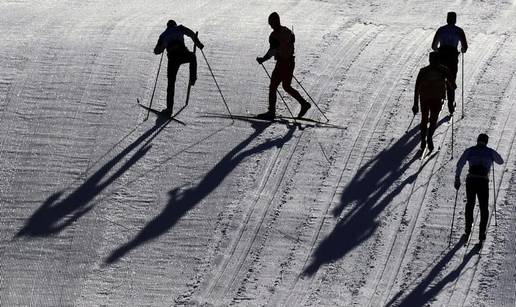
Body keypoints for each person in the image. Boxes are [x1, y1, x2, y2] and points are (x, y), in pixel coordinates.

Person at [256, 12, 311, 120]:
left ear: (275, 22)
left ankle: (271, 112)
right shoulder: (288, 31)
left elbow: (272, 51)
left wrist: (263, 59)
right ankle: (304, 104)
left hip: (282, 63)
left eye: (271, 23)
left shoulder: (274, 36)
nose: (271, 25)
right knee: (286, 86)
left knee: (273, 87)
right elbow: (291, 41)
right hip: (291, 62)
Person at [454, 133, 503, 245]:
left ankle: (467, 229)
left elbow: (460, 163)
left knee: (470, 204)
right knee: (484, 207)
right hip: (483, 181)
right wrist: (491, 156)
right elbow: (500, 161)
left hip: (471, 180)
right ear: (486, 142)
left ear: (477, 140)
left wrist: (457, 178)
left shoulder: (470, 150)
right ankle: (482, 232)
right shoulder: (489, 151)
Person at [154, 20, 204, 116]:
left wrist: (162, 47)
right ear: (174, 25)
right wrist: (199, 44)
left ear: (167, 27)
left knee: (171, 83)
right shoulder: (179, 28)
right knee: (192, 57)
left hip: (173, 59)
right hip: (183, 53)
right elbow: (192, 34)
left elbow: (157, 51)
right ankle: (192, 78)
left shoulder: (163, 35)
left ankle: (169, 109)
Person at [413, 52, 456, 152]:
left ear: (429, 60)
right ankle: (430, 137)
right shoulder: (444, 70)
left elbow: (417, 87)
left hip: (424, 97)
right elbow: (453, 86)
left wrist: (415, 103)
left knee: (424, 119)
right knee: (433, 119)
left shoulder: (423, 71)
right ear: (439, 60)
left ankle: (423, 140)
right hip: (437, 98)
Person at [431, 11, 468, 114]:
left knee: (440, 78)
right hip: (452, 57)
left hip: (441, 56)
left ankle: (440, 100)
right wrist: (461, 51)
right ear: (455, 20)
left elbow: (433, 46)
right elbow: (465, 47)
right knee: (451, 79)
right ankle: (451, 106)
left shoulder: (441, 30)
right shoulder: (459, 31)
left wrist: (438, 50)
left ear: (447, 19)